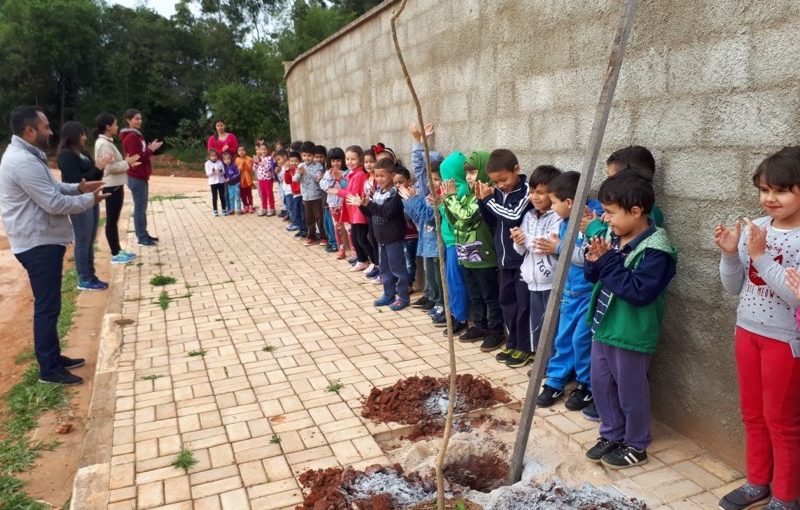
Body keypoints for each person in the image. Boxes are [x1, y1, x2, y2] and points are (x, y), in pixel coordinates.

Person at [716, 147, 800, 510]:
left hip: (785, 340)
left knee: (781, 421)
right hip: (747, 332)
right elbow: (734, 287)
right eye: (764, 190)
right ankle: (756, 483)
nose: (770, 199)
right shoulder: (758, 227)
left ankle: (785, 496)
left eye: (781, 190)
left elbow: (795, 299)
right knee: (752, 413)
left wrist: (762, 256)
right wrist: (731, 254)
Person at [0, 106, 107, 385]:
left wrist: (79, 189)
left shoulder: (29, 156)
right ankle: (49, 369)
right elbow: (53, 203)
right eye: (46, 127)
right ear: (30, 130)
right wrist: (89, 200)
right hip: (37, 243)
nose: (51, 131)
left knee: (51, 304)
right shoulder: (22, 161)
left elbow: (55, 188)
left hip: (42, 240)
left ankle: (53, 357)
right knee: (47, 307)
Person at [583, 168, 677, 470]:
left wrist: (608, 260)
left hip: (631, 334)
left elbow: (639, 291)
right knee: (601, 384)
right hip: (604, 327)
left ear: (636, 212)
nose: (605, 218)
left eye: (610, 212)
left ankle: (636, 443)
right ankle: (612, 433)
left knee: (630, 390)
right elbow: (594, 277)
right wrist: (594, 260)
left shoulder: (657, 250)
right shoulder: (614, 236)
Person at [536, 171, 604, 410]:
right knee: (563, 338)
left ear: (569, 202)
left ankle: (586, 386)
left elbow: (587, 258)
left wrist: (559, 246)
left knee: (581, 340)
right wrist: (557, 247)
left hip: (588, 294)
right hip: (569, 293)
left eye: (553, 202)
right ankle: (555, 381)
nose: (551, 207)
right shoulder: (566, 220)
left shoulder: (591, 219)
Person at [442, 151, 504, 350]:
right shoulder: (468, 195)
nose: (469, 177)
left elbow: (466, 216)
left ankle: (496, 331)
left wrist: (451, 199)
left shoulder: (483, 196)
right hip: (465, 254)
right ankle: (480, 325)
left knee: (489, 295)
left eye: (473, 172)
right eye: (467, 173)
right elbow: (455, 220)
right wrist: (446, 201)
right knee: (475, 293)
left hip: (484, 256)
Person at [476, 149, 533, 365]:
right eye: (496, 182)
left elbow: (513, 217)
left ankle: (525, 348)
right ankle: (513, 345)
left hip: (522, 261)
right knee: (507, 303)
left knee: (523, 305)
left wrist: (489, 200)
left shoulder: (526, 191)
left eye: (504, 179)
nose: (501, 185)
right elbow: (493, 222)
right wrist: (483, 202)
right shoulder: (497, 193)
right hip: (504, 260)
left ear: (516, 169)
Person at [508, 165, 563, 368]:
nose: (534, 197)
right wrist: (518, 240)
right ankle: (542, 363)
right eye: (532, 192)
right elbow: (521, 250)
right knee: (538, 325)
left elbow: (546, 245)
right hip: (532, 281)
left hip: (551, 281)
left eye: (540, 192)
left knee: (553, 327)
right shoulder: (529, 215)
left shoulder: (558, 218)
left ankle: (553, 366)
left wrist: (526, 239)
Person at [57, 121, 114, 291]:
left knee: (90, 239)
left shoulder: (83, 153)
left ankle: (91, 275)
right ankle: (85, 278)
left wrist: (100, 167)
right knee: (83, 239)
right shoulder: (65, 155)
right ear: (73, 135)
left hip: (90, 198)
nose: (85, 137)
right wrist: (97, 167)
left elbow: (94, 175)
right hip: (78, 200)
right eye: (82, 134)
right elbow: (77, 181)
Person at [351, 158, 409, 311]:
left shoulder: (396, 195)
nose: (379, 179)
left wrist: (368, 204)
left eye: (383, 175)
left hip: (394, 238)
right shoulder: (378, 193)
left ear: (392, 175)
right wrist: (362, 205)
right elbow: (371, 213)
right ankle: (388, 295)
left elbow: (386, 213)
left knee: (398, 269)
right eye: (377, 176)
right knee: (385, 269)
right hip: (381, 238)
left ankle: (403, 297)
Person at [94, 112, 139, 264]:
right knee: (112, 221)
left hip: (116, 184)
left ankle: (118, 250)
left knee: (114, 220)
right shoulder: (104, 144)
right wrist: (127, 162)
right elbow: (111, 168)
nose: (117, 127)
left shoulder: (107, 142)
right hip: (111, 185)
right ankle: (115, 253)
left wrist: (127, 162)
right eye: (115, 124)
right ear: (108, 126)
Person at [434, 152, 470, 335]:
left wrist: (448, 198)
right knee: (451, 280)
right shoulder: (453, 189)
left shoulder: (462, 190)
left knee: (457, 281)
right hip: (450, 241)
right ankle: (455, 312)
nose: (444, 180)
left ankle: (461, 317)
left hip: (458, 242)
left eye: (446, 175)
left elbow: (457, 216)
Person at [120, 108, 162, 246]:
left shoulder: (136, 135)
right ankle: (142, 237)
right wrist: (151, 150)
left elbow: (140, 153)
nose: (139, 121)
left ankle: (144, 234)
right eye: (136, 119)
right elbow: (136, 157)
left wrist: (148, 149)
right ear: (128, 120)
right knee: (139, 208)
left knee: (141, 208)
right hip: (136, 176)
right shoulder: (132, 136)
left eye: (140, 118)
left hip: (140, 176)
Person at [336, 145, 371, 271]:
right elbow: (348, 188)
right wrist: (339, 179)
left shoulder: (360, 174)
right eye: (347, 159)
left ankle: (373, 262)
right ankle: (362, 260)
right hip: (353, 212)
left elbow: (352, 193)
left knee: (361, 239)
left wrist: (338, 191)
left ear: (360, 160)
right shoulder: (353, 173)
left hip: (359, 212)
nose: (349, 162)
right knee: (356, 239)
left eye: (353, 159)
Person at [294, 141, 326, 246]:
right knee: (309, 218)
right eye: (304, 155)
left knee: (319, 217)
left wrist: (306, 172)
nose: (306, 158)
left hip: (316, 196)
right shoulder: (300, 165)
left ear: (313, 155)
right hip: (306, 197)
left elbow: (317, 179)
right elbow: (296, 179)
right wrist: (299, 174)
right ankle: (311, 236)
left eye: (309, 155)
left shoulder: (318, 166)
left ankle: (323, 237)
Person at [320, 147, 348, 256]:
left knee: (348, 227)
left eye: (338, 160)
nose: (335, 163)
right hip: (332, 204)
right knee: (337, 226)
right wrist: (332, 178)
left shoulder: (346, 172)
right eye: (333, 161)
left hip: (344, 204)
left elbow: (347, 187)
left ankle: (353, 249)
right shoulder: (328, 173)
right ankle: (340, 247)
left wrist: (339, 178)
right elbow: (324, 186)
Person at [285, 151, 307, 238]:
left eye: (295, 161)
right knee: (297, 213)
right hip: (294, 195)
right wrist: (287, 172)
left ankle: (305, 229)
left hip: (301, 194)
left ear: (299, 161)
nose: (293, 163)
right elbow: (288, 181)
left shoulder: (300, 169)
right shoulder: (290, 171)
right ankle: (301, 229)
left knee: (303, 213)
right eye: (291, 161)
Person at [254, 144, 276, 216]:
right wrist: (256, 162)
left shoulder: (269, 158)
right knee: (263, 194)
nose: (263, 151)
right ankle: (264, 208)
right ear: (259, 150)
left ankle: (272, 209)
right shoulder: (259, 158)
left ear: (268, 150)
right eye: (261, 149)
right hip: (260, 179)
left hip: (268, 179)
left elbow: (268, 168)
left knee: (269, 194)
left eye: (265, 149)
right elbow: (254, 168)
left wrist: (260, 161)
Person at [205, 149, 226, 216]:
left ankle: (224, 209)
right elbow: (208, 174)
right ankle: (215, 210)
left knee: (222, 196)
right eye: (212, 156)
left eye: (215, 155)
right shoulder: (207, 163)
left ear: (217, 156)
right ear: (209, 156)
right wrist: (212, 171)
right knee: (214, 197)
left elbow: (223, 172)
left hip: (220, 181)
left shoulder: (220, 162)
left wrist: (220, 171)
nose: (214, 157)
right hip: (213, 182)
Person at [236, 145, 254, 214]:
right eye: (239, 150)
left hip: (248, 180)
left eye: (243, 150)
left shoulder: (249, 159)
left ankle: (250, 206)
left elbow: (250, 169)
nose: (241, 152)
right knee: (242, 195)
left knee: (249, 194)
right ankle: (245, 206)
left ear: (245, 151)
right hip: (241, 180)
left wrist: (244, 164)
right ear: (237, 152)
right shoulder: (237, 160)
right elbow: (236, 170)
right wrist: (239, 169)